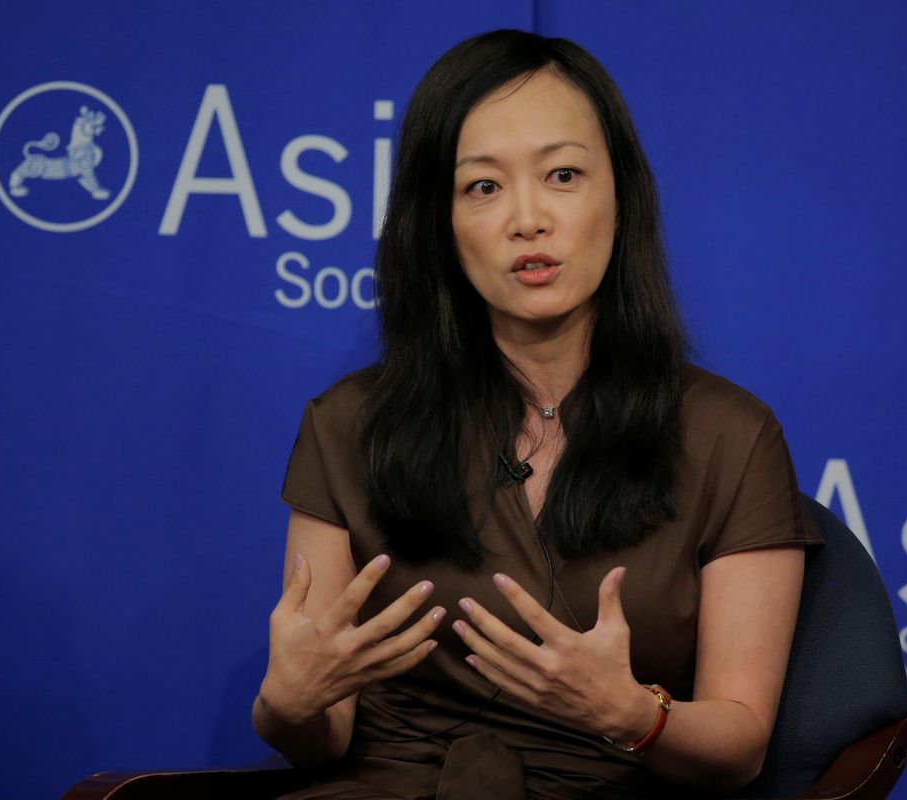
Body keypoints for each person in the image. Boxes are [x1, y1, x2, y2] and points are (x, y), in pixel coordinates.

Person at [253, 29, 822, 800]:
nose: (528, 219)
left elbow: (740, 746)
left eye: (562, 175)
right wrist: (287, 705)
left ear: (619, 197)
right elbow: (320, 735)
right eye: (482, 187)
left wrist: (631, 714)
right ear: (439, 223)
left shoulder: (731, 437)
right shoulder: (349, 425)